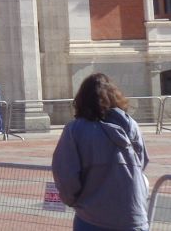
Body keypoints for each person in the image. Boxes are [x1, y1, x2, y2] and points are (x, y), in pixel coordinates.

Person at [51, 73, 150, 231]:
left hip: (92, 218)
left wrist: (75, 201)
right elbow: (141, 163)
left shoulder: (75, 130)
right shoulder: (132, 126)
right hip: (134, 217)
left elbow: (66, 175)